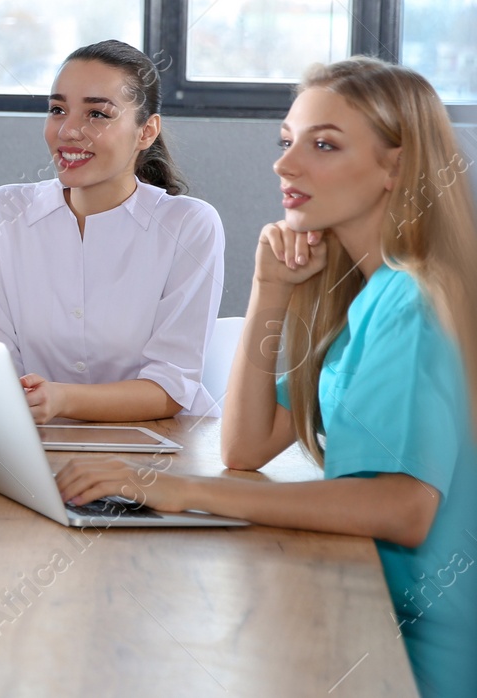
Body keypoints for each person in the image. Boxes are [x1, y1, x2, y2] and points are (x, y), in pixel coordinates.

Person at [57, 58, 477, 698]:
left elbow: (400, 506)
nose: (286, 165)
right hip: (363, 611)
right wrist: (269, 290)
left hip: (412, 658)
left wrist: (183, 491)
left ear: (396, 166)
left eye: (324, 145)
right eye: (288, 142)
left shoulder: (411, 303)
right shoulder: (370, 294)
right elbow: (247, 447)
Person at [0, 40, 225, 421]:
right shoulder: (3, 212)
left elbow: (171, 388)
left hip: (160, 451)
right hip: (36, 441)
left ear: (146, 132)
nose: (69, 130)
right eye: (58, 110)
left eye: (97, 115)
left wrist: (61, 400)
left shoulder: (189, 225)